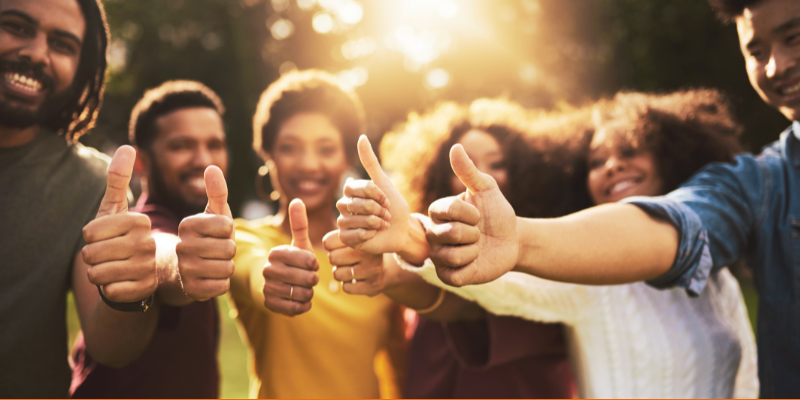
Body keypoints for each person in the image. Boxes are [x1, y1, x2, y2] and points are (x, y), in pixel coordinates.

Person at [422, 0, 800, 396]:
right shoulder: (757, 186)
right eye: (756, 52)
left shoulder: (717, 279)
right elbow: (674, 223)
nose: (775, 66)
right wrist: (516, 238)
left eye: (793, 37)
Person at [394, 90, 759, 398]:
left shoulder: (714, 269)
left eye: (629, 150)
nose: (612, 166)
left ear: (670, 157)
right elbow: (507, 285)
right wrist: (414, 241)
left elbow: (747, 376)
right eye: (597, 161)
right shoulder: (581, 271)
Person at [0, 1, 235, 395]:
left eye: (61, 44)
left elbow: (153, 248)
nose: (37, 53)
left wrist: (167, 267)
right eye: (16, 27)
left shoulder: (90, 183)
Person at [324, 99, 578, 398]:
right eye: (461, 165)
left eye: (497, 164)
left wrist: (412, 242)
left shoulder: (548, 260)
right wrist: (390, 260)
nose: (480, 177)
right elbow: (416, 282)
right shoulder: (414, 253)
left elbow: (468, 305)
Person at [229, 69, 405, 399]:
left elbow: (400, 363)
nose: (309, 164)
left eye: (326, 149)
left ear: (347, 159)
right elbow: (254, 271)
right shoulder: (246, 238)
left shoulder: (377, 253)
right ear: (268, 155)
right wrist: (271, 278)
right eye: (290, 147)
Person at [70, 81, 229, 398]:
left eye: (215, 144)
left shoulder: (206, 235)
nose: (203, 159)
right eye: (181, 145)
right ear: (142, 162)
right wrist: (179, 266)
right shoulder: (141, 230)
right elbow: (158, 248)